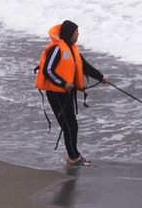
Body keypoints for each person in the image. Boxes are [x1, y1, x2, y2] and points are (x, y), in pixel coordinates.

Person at [35, 20, 108, 166]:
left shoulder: (72, 48)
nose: (78, 34)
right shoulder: (57, 49)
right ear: (69, 34)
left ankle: (73, 155)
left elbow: (85, 66)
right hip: (56, 93)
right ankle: (73, 157)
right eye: (76, 32)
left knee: (72, 125)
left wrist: (100, 77)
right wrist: (63, 83)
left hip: (67, 93)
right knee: (68, 126)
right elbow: (48, 70)